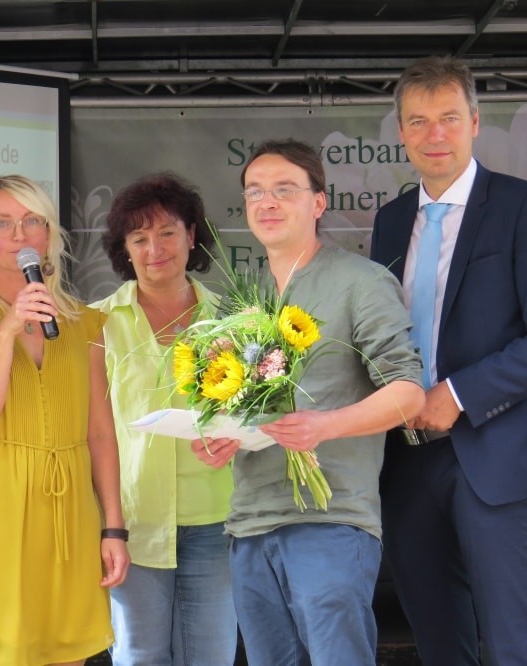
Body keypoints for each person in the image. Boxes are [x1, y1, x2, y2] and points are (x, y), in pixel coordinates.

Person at [370, 56, 527, 666]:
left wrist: (460, 393)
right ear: (402, 131)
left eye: (447, 118)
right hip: (404, 460)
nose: (433, 135)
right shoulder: (390, 223)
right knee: (439, 645)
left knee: (517, 644)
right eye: (418, 122)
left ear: (475, 122)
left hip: (493, 453)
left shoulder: (524, 206)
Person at [193, 139, 425, 665]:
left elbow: (409, 393)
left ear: (319, 202)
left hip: (331, 519)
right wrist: (222, 437)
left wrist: (326, 425)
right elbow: (240, 404)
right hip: (250, 523)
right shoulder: (242, 298)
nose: (267, 202)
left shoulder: (361, 283)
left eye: (283, 190)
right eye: (255, 192)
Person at [0, 174, 129, 665]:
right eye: (2, 223)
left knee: (68, 649)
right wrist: (7, 331)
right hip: (0, 502)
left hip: (72, 510)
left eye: (31, 221)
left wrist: (114, 529)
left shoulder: (85, 323)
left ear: (48, 234)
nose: (20, 235)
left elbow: (100, 430)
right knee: (4, 649)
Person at [91, 173, 238, 665]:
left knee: (211, 657)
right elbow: (94, 432)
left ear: (191, 236)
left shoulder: (233, 321)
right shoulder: (96, 325)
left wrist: (236, 435)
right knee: (139, 657)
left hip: (216, 520)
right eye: (139, 238)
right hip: (132, 521)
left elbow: (252, 412)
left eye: (167, 232)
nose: (155, 248)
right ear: (125, 250)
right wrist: (110, 527)